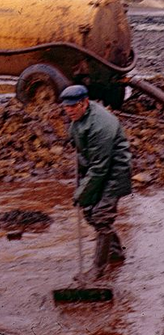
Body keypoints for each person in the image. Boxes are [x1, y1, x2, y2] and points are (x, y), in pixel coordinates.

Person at [59, 85, 132, 281]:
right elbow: (81, 146)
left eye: (73, 106)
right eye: (66, 107)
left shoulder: (101, 125)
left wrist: (81, 192)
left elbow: (100, 168)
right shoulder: (78, 117)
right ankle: (115, 251)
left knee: (101, 217)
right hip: (97, 167)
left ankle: (97, 269)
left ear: (85, 102)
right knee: (90, 212)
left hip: (114, 172)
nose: (69, 110)